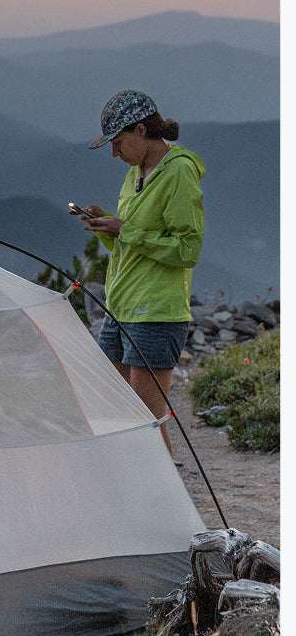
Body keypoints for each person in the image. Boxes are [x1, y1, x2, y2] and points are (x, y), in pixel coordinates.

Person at [78, 89, 206, 457]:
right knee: (116, 410)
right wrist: (106, 227)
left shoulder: (178, 172)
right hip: (120, 310)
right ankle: (136, 485)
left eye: (117, 142)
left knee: (147, 421)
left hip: (156, 314)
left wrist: (126, 230)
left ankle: (165, 491)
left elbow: (187, 250)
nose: (114, 153)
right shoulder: (135, 173)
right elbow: (131, 244)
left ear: (140, 130)